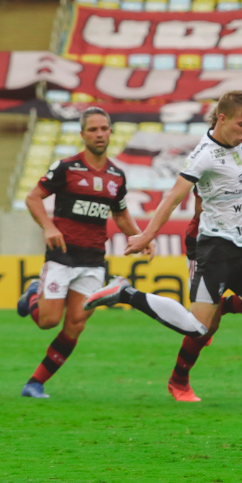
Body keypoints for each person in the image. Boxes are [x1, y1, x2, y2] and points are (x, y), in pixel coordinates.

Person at [84, 91, 242, 411]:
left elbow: (235, 191)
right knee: (199, 327)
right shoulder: (204, 156)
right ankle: (126, 292)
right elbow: (174, 196)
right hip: (215, 250)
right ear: (222, 119)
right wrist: (147, 234)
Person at [15, 107, 155, 398]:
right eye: (93, 129)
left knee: (75, 324)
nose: (100, 134)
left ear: (110, 132)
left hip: (93, 260)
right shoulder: (66, 168)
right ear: (82, 135)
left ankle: (35, 383)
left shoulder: (116, 175)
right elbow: (33, 198)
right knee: (48, 321)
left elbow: (120, 214)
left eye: (104, 129)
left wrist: (141, 237)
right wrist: (48, 227)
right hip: (63, 255)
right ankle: (32, 295)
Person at [168, 100, 242, 403]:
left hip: (239, 239)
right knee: (203, 326)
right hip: (206, 242)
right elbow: (205, 208)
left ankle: (224, 306)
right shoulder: (214, 155)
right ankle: (179, 380)